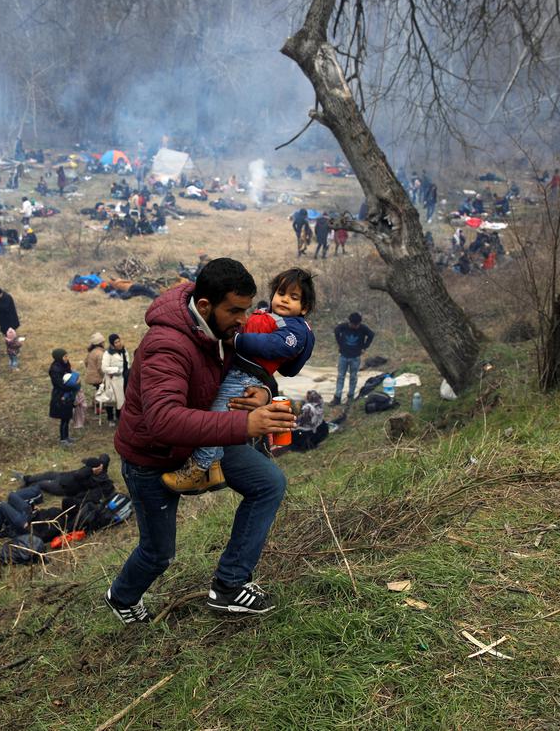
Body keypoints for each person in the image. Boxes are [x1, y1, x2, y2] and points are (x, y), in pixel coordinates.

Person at [104, 258, 297, 624]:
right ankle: (123, 596)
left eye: (246, 308)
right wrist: (245, 425)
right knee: (158, 553)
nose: (244, 320)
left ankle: (229, 586)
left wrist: (261, 391)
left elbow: (247, 369)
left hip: (206, 445)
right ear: (205, 306)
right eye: (235, 310)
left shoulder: (219, 330)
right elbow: (164, 420)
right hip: (154, 460)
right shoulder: (167, 345)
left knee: (268, 483)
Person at [162, 267, 316, 490]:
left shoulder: (295, 328)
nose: (284, 300)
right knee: (218, 412)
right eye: (281, 293)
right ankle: (213, 469)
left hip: (246, 376)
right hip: (241, 373)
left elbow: (275, 346)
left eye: (293, 298)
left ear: (305, 308)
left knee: (216, 414)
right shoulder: (271, 316)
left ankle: (197, 469)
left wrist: (237, 341)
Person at [332, 312, 375, 406]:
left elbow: (371, 335)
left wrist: (365, 347)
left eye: (357, 325)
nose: (355, 326)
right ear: (349, 322)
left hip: (355, 357)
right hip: (343, 356)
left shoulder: (363, 328)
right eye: (353, 324)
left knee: (353, 377)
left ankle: (350, 397)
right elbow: (336, 331)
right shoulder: (343, 327)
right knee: (340, 376)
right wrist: (339, 343)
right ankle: (337, 397)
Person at [20, 454, 111, 494]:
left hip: (63, 487)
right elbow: (105, 456)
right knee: (47, 474)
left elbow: (78, 476)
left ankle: (25, 491)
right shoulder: (99, 468)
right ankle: (27, 479)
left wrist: (91, 471)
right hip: (64, 476)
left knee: (42, 484)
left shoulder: (96, 480)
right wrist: (101, 464)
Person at [98, 333, 129, 425]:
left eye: (119, 341)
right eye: (116, 342)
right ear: (112, 344)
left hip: (124, 379)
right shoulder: (108, 354)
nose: (118, 343)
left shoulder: (124, 351)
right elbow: (104, 368)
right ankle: (110, 418)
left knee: (122, 400)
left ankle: (120, 417)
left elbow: (127, 363)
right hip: (113, 380)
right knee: (111, 400)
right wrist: (117, 370)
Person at [49, 350, 76, 445]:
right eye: (65, 356)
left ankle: (67, 436)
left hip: (68, 393)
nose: (67, 358)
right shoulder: (55, 369)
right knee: (63, 417)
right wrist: (72, 385)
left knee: (67, 416)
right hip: (60, 395)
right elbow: (59, 383)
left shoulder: (65, 365)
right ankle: (63, 438)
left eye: (67, 356)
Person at [84, 332, 106, 405]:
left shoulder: (91, 352)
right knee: (101, 390)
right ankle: (98, 406)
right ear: (100, 343)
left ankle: (95, 404)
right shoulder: (100, 353)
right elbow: (100, 368)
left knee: (98, 389)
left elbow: (86, 362)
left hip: (91, 376)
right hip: (97, 377)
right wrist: (104, 376)